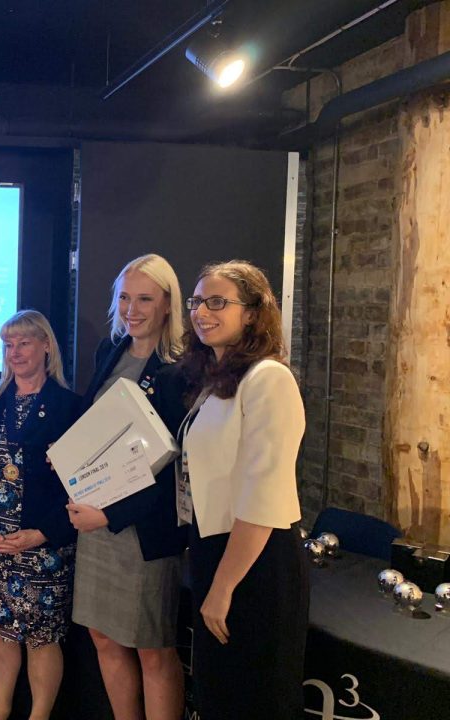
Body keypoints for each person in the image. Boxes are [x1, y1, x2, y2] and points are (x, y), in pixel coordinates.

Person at [177, 260, 308, 720]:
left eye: (218, 302)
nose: (201, 312)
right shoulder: (219, 382)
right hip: (218, 549)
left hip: (256, 561)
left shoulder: (269, 379)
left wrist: (223, 585)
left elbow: (263, 495)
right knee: (220, 695)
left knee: (255, 698)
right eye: (197, 302)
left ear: (252, 313)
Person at [66, 254, 188, 720]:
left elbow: (173, 468)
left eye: (144, 298)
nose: (131, 308)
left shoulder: (181, 370)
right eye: (124, 297)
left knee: (153, 648)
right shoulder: (109, 351)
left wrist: (111, 515)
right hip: (97, 526)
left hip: (144, 531)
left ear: (167, 306)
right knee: (103, 635)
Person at [0, 309, 80, 720]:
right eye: (9, 344)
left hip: (42, 544)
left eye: (24, 343)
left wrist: (44, 533)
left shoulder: (70, 407)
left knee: (42, 637)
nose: (15, 352)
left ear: (46, 346)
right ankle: (2, 708)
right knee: (0, 631)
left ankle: (39, 714)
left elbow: (80, 483)